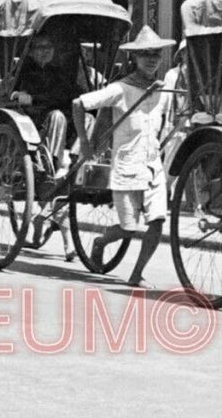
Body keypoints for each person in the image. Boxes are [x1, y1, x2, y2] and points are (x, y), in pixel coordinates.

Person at [72, 26, 176, 288]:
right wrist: (85, 143)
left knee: (157, 222)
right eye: (145, 55)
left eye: (155, 55)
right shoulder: (120, 88)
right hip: (127, 166)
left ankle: (136, 274)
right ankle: (100, 242)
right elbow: (79, 103)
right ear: (135, 58)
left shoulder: (162, 91)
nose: (151, 59)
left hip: (153, 166)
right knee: (129, 228)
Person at [14, 28, 86, 172]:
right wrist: (17, 94)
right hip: (33, 120)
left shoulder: (58, 72)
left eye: (49, 47)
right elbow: (11, 92)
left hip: (59, 115)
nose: (46, 51)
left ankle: (79, 158)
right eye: (41, 47)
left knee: (88, 118)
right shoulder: (22, 71)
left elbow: (67, 94)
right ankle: (51, 164)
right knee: (57, 116)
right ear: (31, 51)